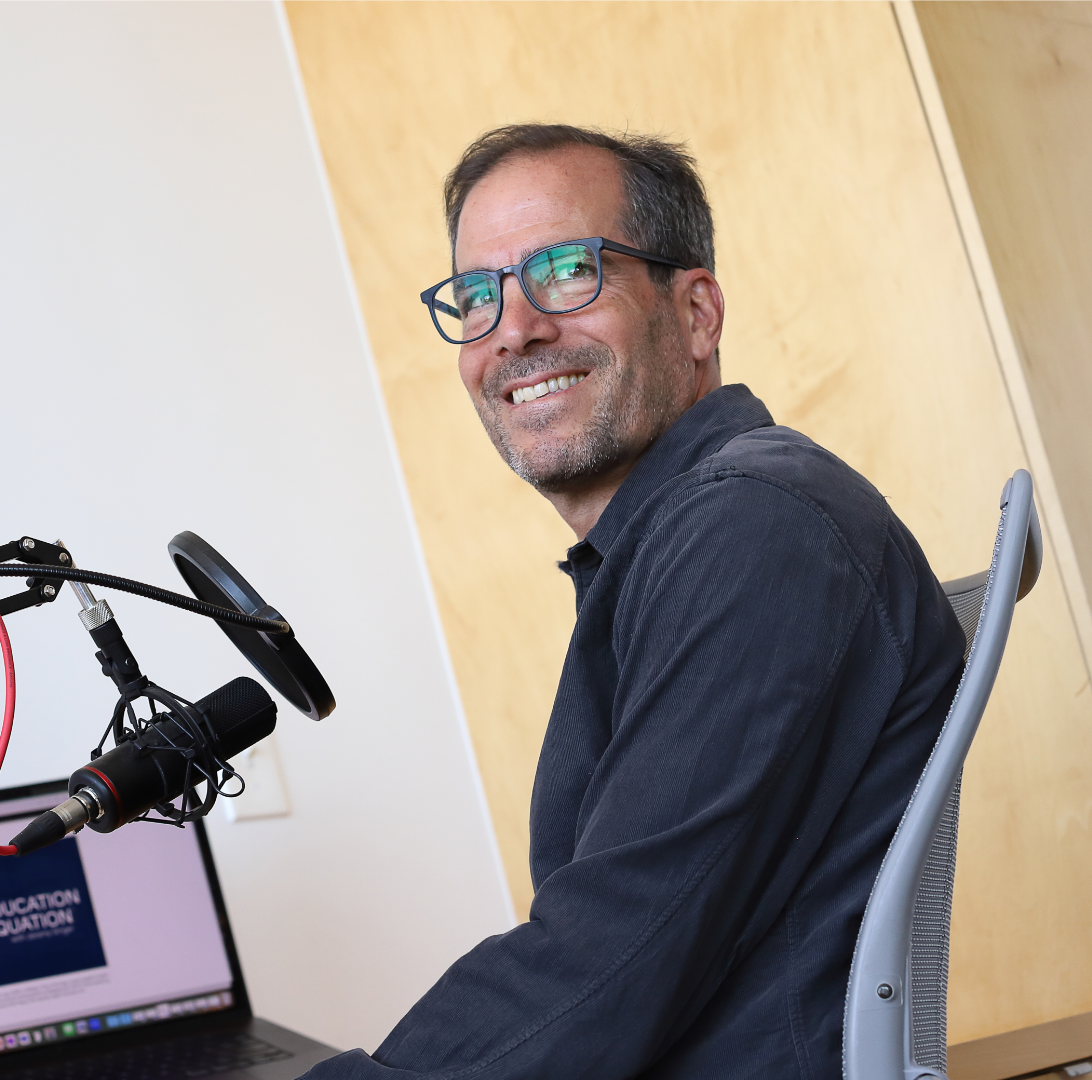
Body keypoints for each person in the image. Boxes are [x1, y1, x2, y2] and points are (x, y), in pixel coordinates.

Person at [302, 125, 966, 1079]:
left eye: (568, 270)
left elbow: (611, 950)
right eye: (477, 296)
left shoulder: (754, 527)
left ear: (696, 312)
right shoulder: (677, 541)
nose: (515, 330)